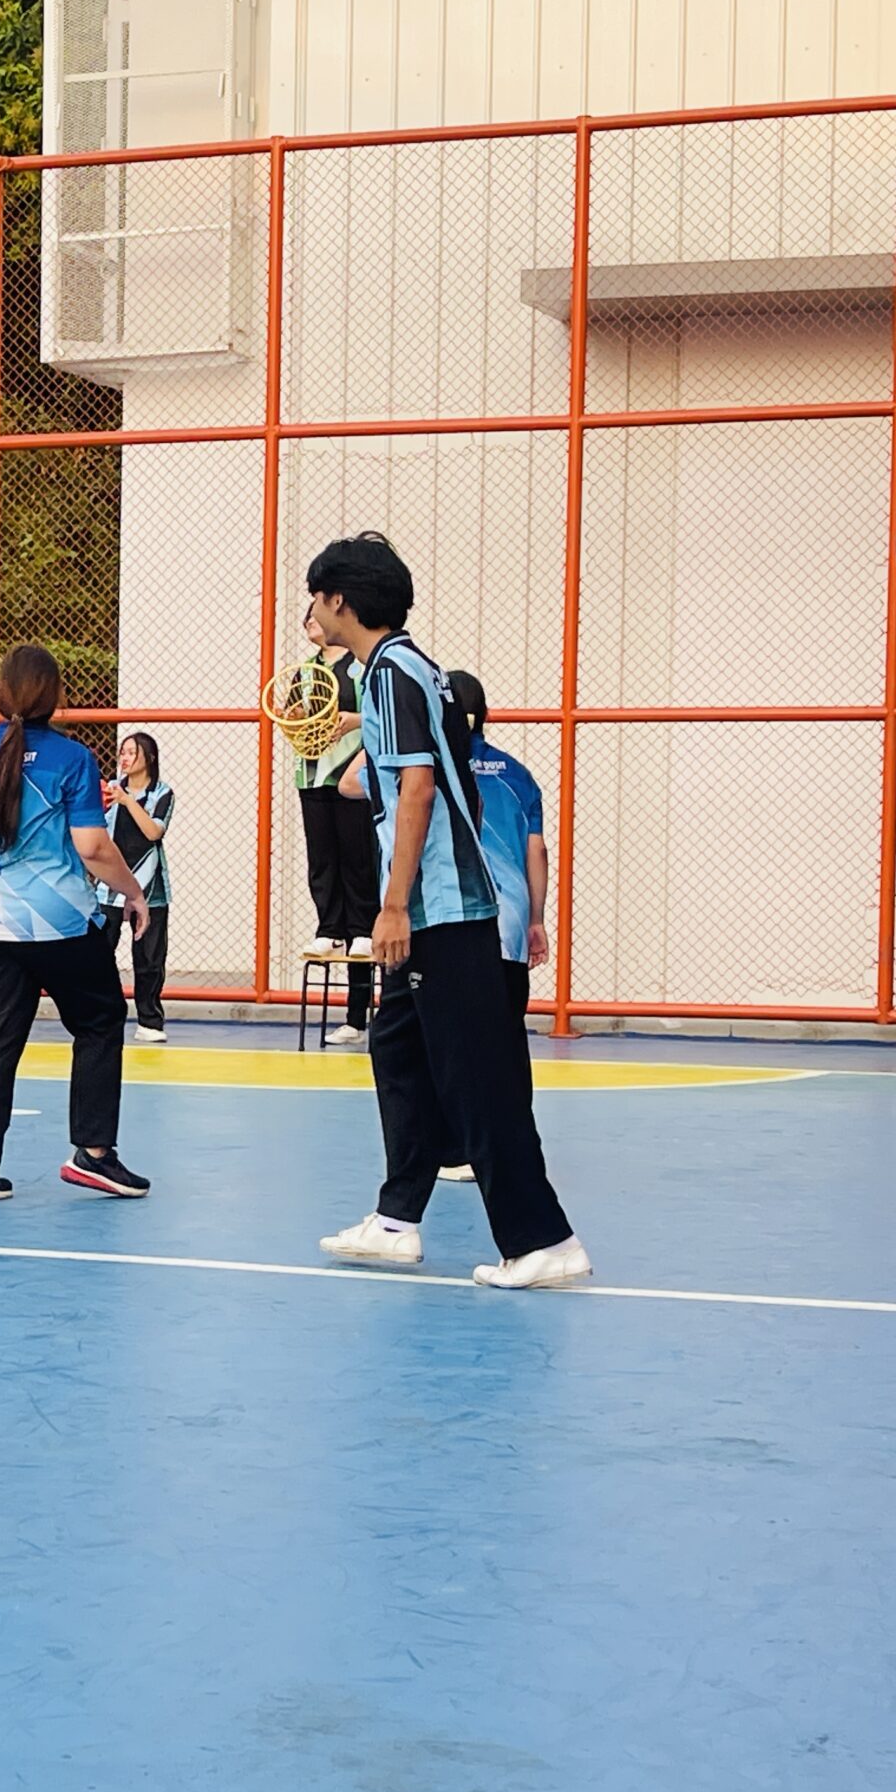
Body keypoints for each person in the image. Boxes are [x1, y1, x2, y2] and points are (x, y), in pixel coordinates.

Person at [303, 532, 591, 1290]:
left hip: (442, 910)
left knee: (477, 1077)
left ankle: (544, 1240)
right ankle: (396, 1219)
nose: (312, 612)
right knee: (397, 1051)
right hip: (440, 904)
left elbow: (419, 787)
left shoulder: (390, 675)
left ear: (340, 600)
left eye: (316, 597)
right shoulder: (413, 671)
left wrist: (394, 904)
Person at [0, 644, 155, 1203]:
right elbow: (92, 846)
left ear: (0, 695)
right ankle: (94, 1154)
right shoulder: (73, 759)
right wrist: (133, 892)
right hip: (59, 923)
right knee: (100, 1020)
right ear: (56, 696)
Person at [433, 670, 549, 1185]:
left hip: (462, 922)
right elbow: (536, 850)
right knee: (508, 1036)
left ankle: (461, 1150)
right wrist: (537, 919)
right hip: (513, 924)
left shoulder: (433, 767)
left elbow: (350, 784)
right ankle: (518, 1144)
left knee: (458, 1041)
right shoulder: (517, 774)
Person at [294, 602, 378, 1047]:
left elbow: (380, 718)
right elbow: (294, 719)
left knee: (357, 861)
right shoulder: (303, 672)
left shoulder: (360, 669)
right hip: (312, 775)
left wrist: (353, 722)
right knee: (322, 861)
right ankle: (329, 929)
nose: (312, 621)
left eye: (317, 614)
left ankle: (362, 931)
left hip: (351, 774)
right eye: (306, 617)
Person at [97, 732, 175, 1042]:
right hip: (109, 885)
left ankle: (150, 1021)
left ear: (149, 757)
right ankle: (103, 1015)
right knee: (101, 952)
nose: (125, 758)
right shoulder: (110, 790)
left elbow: (153, 832)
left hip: (150, 886)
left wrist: (128, 801)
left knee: (149, 959)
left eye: (132, 752)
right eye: (123, 752)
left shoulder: (162, 793)